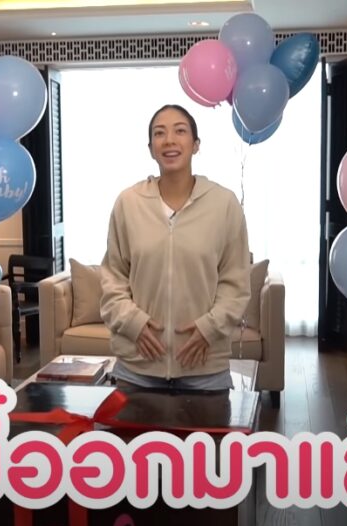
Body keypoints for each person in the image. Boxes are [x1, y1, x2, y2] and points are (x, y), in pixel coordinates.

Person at [100, 104, 251, 391]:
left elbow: (236, 283)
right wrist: (133, 324)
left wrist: (209, 329)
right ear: (151, 149)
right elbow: (113, 279)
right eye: (159, 133)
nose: (169, 140)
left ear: (196, 145)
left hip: (205, 370)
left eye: (180, 131)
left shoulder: (224, 204)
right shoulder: (128, 203)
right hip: (136, 369)